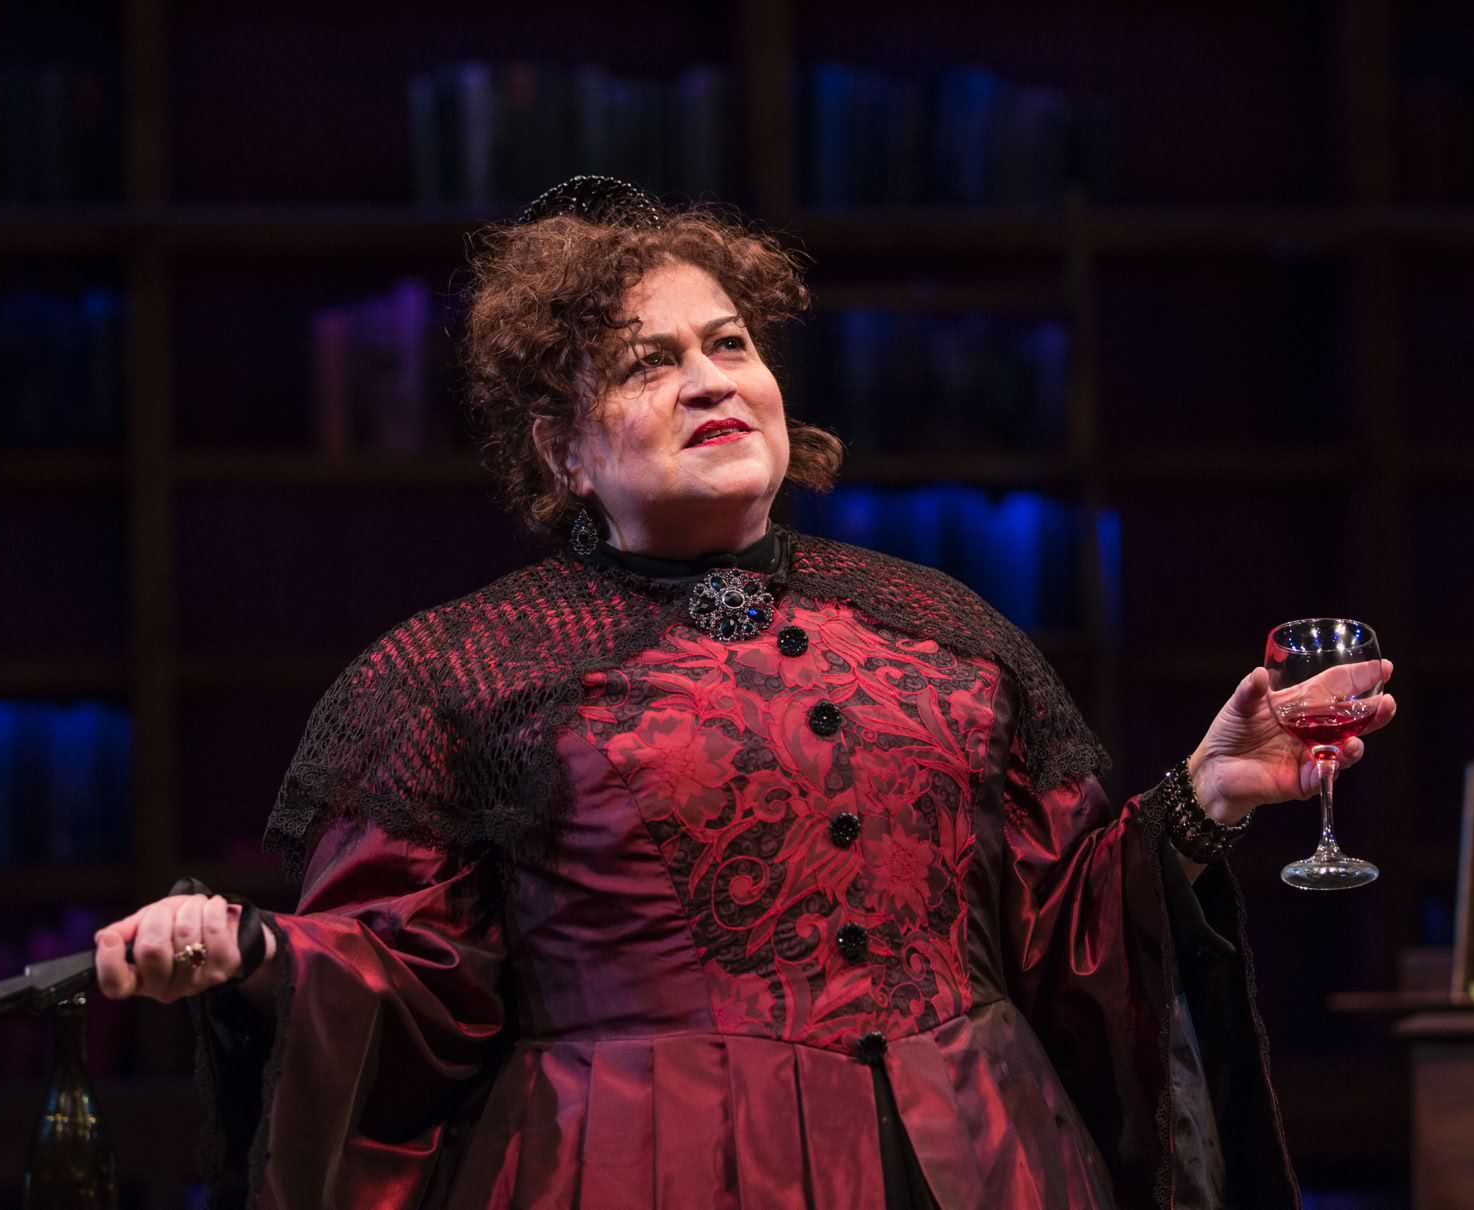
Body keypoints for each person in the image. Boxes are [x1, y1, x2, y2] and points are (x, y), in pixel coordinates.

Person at [95, 177, 1398, 1209]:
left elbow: (1063, 937)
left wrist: (1202, 799)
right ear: (563, 449)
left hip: (983, 1162)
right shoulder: (462, 671)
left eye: (729, 343)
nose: (711, 377)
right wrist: (256, 949)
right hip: (647, 1167)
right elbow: (410, 981)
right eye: (648, 362)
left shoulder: (941, 627)